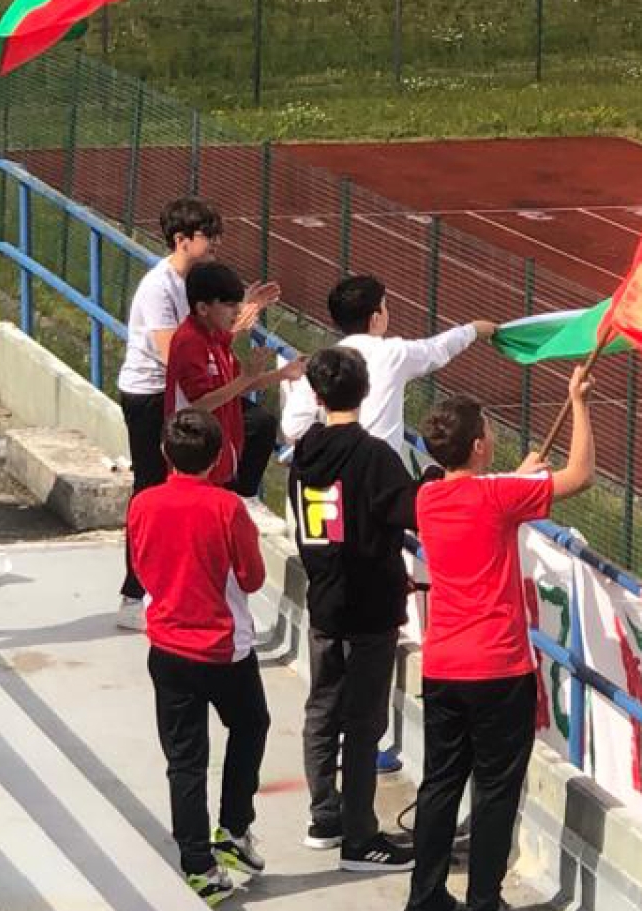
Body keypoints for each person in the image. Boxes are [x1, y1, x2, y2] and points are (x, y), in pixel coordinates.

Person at [401, 366, 595, 911]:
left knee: (440, 784)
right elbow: (580, 475)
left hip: (443, 664)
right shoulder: (499, 496)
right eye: (487, 430)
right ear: (480, 445)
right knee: (494, 792)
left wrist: (516, 476)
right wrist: (578, 402)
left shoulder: (428, 497)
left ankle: (425, 901)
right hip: (499, 667)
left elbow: (480, 493)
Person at [129, 409, 272, 906]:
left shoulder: (143, 504)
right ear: (218, 458)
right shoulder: (227, 508)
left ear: (165, 453)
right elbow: (253, 577)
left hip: (167, 647)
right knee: (250, 725)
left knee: (185, 760)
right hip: (223, 649)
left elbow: (141, 565)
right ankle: (233, 828)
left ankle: (198, 865)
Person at [116, 198, 279, 630]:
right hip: (152, 396)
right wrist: (236, 325)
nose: (216, 243)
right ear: (181, 240)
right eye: (208, 236)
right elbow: (177, 355)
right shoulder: (159, 287)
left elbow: (206, 340)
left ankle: (235, 497)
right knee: (151, 488)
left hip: (185, 393)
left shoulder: (196, 285)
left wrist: (238, 313)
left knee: (258, 424)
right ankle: (134, 594)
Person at [289, 347, 421, 871]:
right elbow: (411, 512)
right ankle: (361, 837)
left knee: (322, 711)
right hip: (371, 607)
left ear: (317, 395)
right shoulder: (374, 457)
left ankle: (324, 816)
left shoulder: (303, 454)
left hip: (324, 602)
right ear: (365, 392)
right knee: (364, 724)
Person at [279, 274, 495, 468]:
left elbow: (293, 426)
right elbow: (436, 349)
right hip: (380, 478)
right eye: (384, 306)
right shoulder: (393, 353)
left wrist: (326, 450)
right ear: (375, 318)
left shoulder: (321, 364)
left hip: (331, 481)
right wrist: (473, 330)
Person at [166, 261, 303, 496]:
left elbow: (235, 386)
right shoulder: (189, 342)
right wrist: (246, 378)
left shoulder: (216, 339)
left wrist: (282, 373)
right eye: (230, 305)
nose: (238, 312)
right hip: (195, 462)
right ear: (203, 308)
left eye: (238, 304)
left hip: (219, 458)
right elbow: (199, 404)